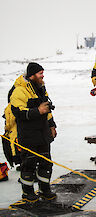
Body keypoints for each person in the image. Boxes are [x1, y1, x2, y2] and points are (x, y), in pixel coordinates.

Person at [10, 62, 57, 202]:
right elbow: (17, 112)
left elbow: (47, 109)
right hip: (28, 135)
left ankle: (44, 189)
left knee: (46, 162)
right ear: (32, 75)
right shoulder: (19, 90)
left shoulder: (41, 88)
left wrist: (51, 125)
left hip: (43, 133)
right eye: (40, 73)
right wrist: (37, 111)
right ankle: (27, 192)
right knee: (29, 164)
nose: (43, 75)